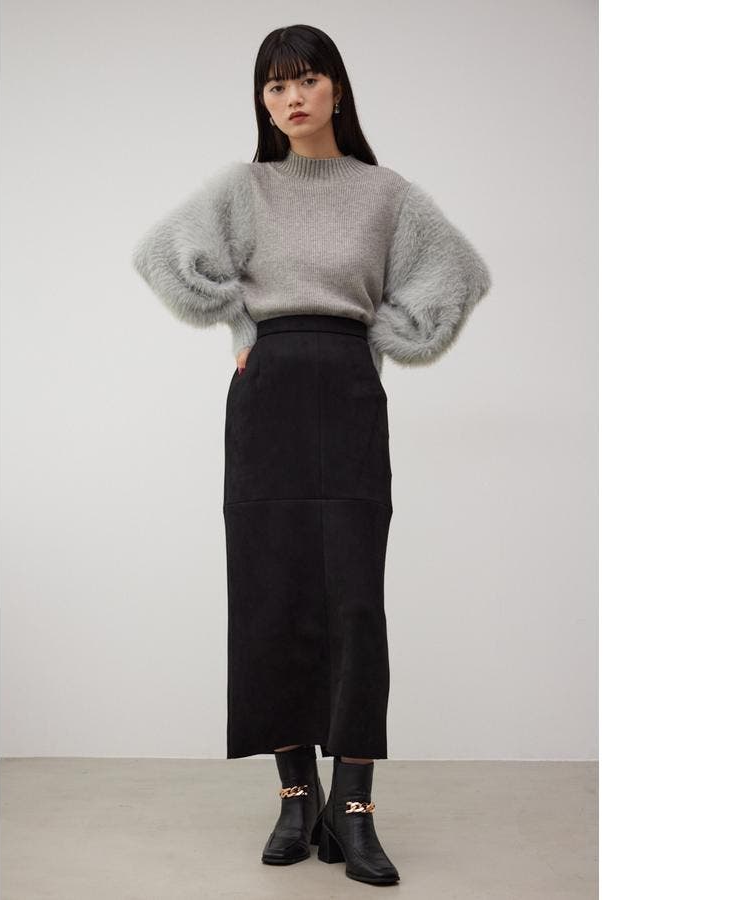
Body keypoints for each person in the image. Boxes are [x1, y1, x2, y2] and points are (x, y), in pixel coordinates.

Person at [131, 24, 492, 888]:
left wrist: (379, 343)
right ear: (262, 102)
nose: (292, 98)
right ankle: (297, 797)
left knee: (354, 603)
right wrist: (241, 324)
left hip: (348, 396)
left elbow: (459, 273)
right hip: (267, 401)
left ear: (338, 89)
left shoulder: (387, 194)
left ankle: (353, 809)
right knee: (272, 594)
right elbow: (161, 255)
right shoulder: (244, 187)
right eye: (275, 85)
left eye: (308, 80)